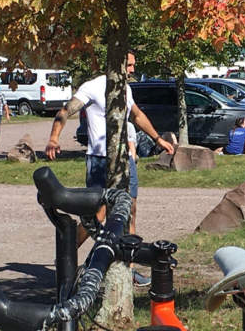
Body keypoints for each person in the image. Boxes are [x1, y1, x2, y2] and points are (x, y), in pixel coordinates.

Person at [44, 52, 176, 243]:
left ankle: (126, 267)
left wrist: (157, 139)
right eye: (129, 65)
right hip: (99, 159)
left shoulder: (125, 89)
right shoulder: (93, 87)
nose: (133, 70)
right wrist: (54, 138)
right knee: (98, 214)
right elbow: (66, 111)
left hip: (124, 158)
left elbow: (137, 115)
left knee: (129, 210)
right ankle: (68, 255)